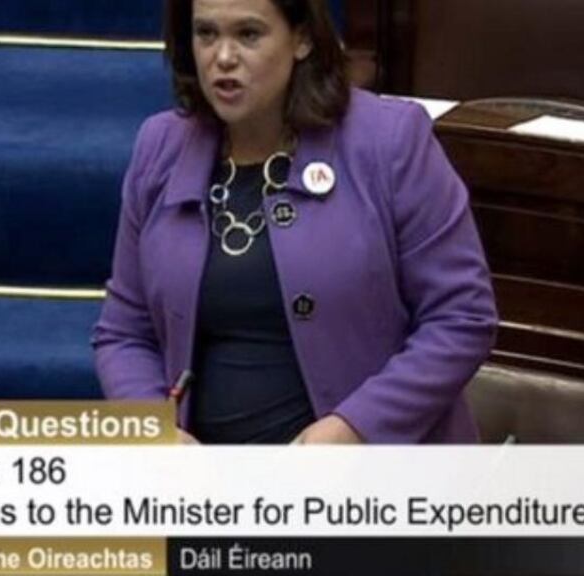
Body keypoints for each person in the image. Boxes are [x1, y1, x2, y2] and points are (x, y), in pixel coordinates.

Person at [92, 0, 498, 444]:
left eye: (248, 34)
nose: (223, 57)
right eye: (206, 34)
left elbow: (462, 315)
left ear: (301, 38)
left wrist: (355, 428)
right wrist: (155, 428)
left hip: (365, 481)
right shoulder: (161, 146)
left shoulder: (390, 140)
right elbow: (124, 331)